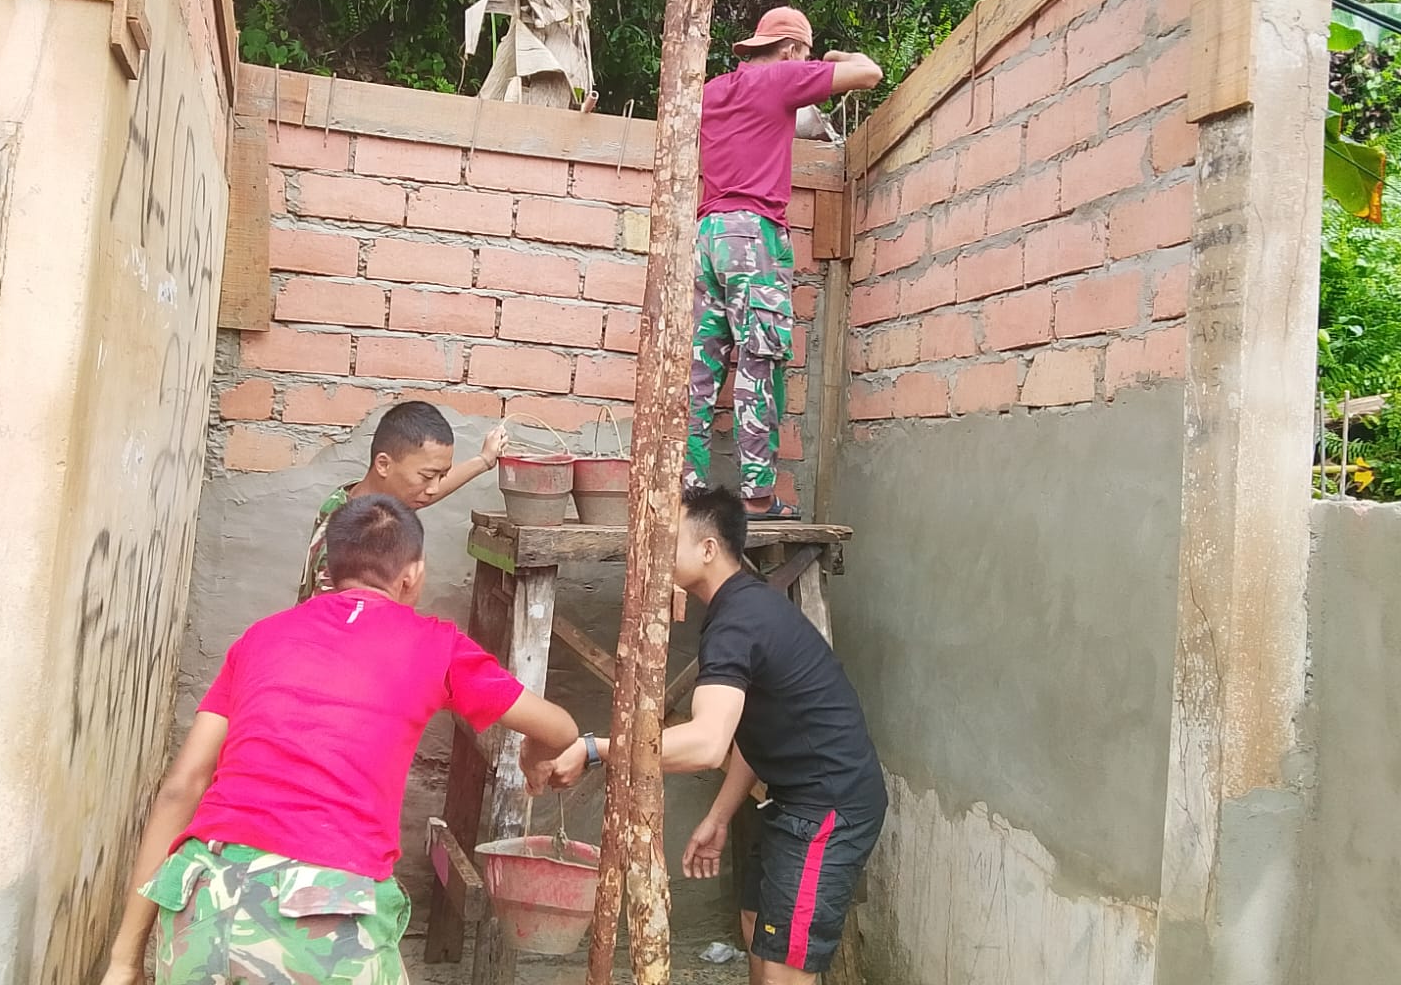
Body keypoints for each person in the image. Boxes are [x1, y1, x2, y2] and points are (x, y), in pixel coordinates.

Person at [98, 495, 579, 985]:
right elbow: (559, 728)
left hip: (202, 903)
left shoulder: (260, 637)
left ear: (329, 570)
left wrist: (124, 960)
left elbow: (181, 787)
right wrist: (534, 755)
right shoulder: (437, 645)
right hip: (324, 908)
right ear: (412, 575)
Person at [530, 486, 886, 985]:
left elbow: (706, 743)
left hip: (829, 808)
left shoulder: (738, 621)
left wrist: (594, 749)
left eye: (667, 539)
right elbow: (755, 730)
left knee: (783, 968)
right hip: (796, 800)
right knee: (757, 930)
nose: (654, 551)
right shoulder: (742, 606)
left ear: (708, 549)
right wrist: (719, 815)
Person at [689, 6, 883, 518]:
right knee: (759, 362)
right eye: (804, 53)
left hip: (707, 235)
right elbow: (869, 73)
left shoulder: (713, 91)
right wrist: (835, 57)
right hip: (753, 236)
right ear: (792, 50)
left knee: (700, 369)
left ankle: (686, 489)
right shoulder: (780, 78)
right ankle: (757, 496)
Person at [299, 400, 506, 602]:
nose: (433, 489)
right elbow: (326, 618)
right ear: (383, 465)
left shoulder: (374, 501)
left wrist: (485, 460)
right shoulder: (344, 538)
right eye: (427, 476)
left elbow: (426, 492)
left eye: (441, 476)